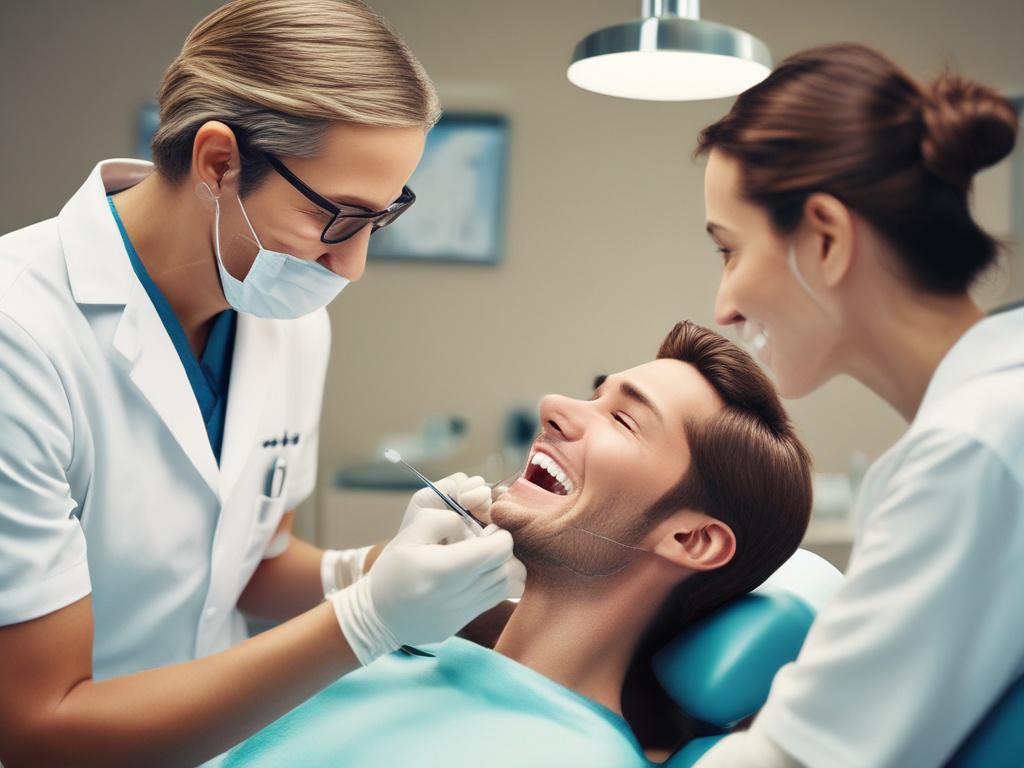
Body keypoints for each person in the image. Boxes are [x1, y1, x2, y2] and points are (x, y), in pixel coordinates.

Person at [0, 2, 522, 766]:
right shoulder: (20, 334)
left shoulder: (289, 321)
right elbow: (39, 726)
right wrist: (365, 619)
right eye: (337, 218)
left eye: (380, 220)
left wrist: (380, 566)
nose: (352, 267)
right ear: (219, 162)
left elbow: (250, 567)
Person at [217, 321, 813, 767]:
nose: (554, 406)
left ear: (693, 539)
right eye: (596, 395)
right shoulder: (398, 648)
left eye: (624, 420)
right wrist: (369, 602)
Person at [692, 43, 1024, 767]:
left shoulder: (973, 449)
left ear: (826, 238)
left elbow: (799, 756)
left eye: (730, 250)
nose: (724, 308)